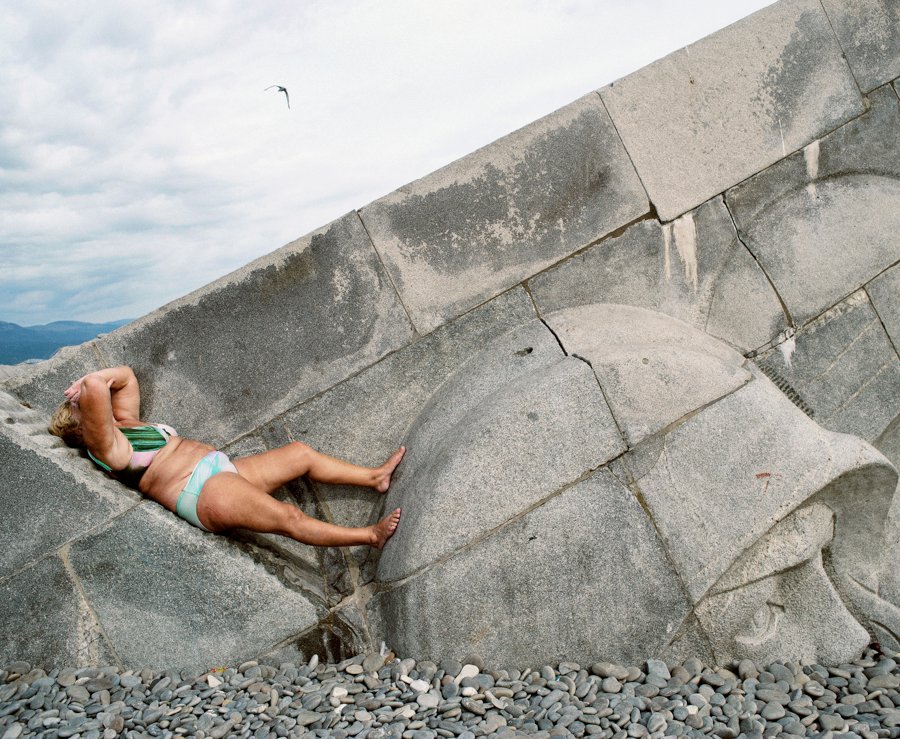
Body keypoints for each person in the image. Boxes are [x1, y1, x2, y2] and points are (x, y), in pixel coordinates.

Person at [48, 365, 403, 548]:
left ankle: (374, 478)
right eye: (83, 409)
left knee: (300, 454)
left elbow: (123, 376)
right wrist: (87, 387)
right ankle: (369, 537)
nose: (94, 404)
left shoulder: (125, 422)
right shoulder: (108, 449)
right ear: (86, 429)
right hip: (200, 492)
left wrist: (90, 380)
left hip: (221, 470)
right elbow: (98, 388)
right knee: (288, 517)